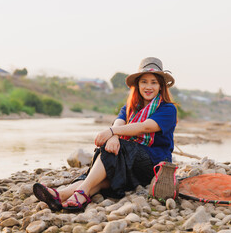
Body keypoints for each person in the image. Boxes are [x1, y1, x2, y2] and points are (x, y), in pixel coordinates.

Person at [33, 57, 177, 212]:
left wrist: (112, 133)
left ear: (161, 86)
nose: (148, 87)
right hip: (128, 164)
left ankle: (81, 192)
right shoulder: (130, 107)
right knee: (104, 173)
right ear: (138, 84)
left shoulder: (167, 109)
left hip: (153, 166)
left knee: (114, 149)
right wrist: (113, 135)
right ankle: (62, 196)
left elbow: (145, 127)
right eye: (144, 82)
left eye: (154, 82)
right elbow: (118, 124)